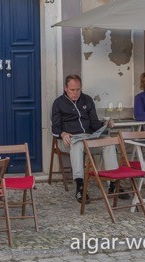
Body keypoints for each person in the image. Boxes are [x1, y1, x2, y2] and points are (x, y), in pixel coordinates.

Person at [51, 74, 120, 203]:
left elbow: (94, 124)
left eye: (78, 89)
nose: (76, 93)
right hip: (68, 140)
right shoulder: (58, 103)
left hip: (89, 138)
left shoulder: (87, 100)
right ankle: (80, 186)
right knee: (77, 145)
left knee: (109, 141)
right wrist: (63, 134)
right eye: (72, 90)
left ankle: (113, 183)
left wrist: (105, 124)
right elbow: (55, 128)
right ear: (66, 88)